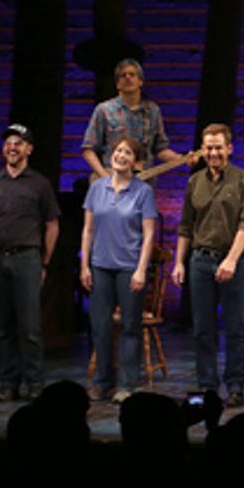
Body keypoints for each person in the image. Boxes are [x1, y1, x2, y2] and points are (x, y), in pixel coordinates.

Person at [0, 124, 61, 402]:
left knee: (30, 327)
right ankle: (8, 382)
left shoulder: (40, 184)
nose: (12, 147)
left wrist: (43, 261)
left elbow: (52, 225)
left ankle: (34, 382)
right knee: (4, 326)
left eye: (18, 143)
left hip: (27, 258)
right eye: (8, 143)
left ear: (29, 149)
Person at [171, 123, 244, 408]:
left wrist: (231, 259)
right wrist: (178, 263)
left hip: (232, 260)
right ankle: (208, 386)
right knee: (203, 329)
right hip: (200, 260)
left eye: (218, 147)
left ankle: (235, 386)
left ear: (229, 149)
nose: (213, 152)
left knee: (235, 327)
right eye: (208, 147)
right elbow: (185, 226)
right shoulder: (194, 182)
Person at [79, 136, 159, 404]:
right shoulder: (96, 188)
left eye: (127, 153)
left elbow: (149, 235)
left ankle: (126, 383)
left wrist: (140, 270)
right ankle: (102, 382)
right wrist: (84, 265)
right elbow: (88, 230)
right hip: (100, 266)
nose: (120, 156)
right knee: (100, 326)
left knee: (129, 327)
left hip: (128, 268)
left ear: (137, 162)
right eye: (117, 151)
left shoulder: (143, 192)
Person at [81, 59, 196, 179]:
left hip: (143, 182)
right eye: (123, 75)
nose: (128, 78)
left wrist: (181, 159)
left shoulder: (152, 111)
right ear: (118, 84)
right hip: (112, 179)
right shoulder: (104, 110)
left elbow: (160, 149)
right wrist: (105, 178)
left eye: (132, 74)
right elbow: (88, 150)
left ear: (140, 81)